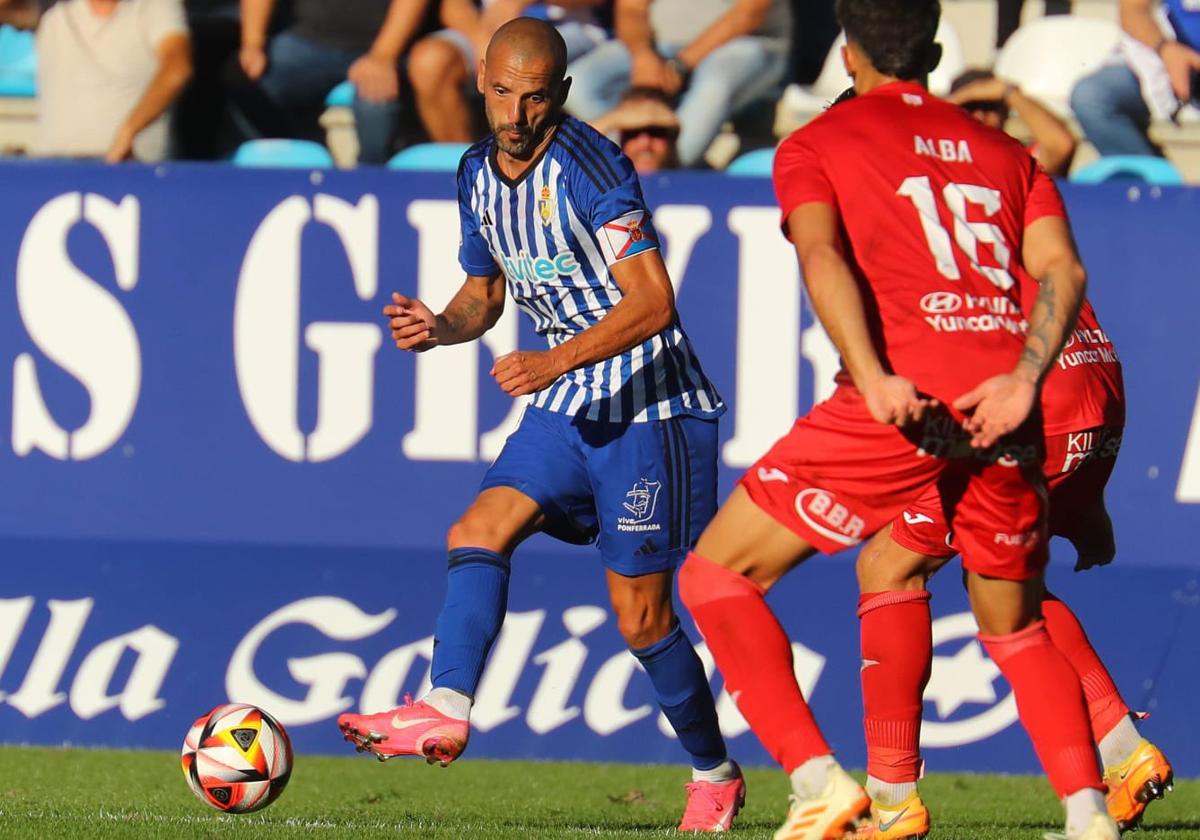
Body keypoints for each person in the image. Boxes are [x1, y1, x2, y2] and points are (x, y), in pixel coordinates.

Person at [675, 1, 1121, 838]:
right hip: (1006, 410)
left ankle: (819, 785)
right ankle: (1088, 814)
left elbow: (820, 253)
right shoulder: (1005, 150)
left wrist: (876, 377)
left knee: (715, 577)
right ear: (937, 50)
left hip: (900, 408)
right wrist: (1027, 378)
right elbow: (1062, 265)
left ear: (848, 55)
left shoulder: (818, 142)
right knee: (1017, 630)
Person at [337, 18, 745, 834]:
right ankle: (444, 703)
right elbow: (484, 297)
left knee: (641, 618)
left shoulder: (593, 165)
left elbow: (655, 303)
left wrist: (554, 361)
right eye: (500, 94)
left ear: (558, 93)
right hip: (565, 406)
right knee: (478, 527)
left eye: (533, 98)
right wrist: (440, 326)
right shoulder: (475, 172)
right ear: (478, 82)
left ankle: (715, 773)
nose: (515, 114)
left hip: (646, 410)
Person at [851, 293, 1173, 837]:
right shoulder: (1019, 207)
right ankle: (1124, 750)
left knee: (888, 565)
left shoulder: (896, 216)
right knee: (1002, 582)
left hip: (1031, 402)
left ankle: (891, 798)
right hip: (1093, 384)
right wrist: (1089, 493)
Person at [564, 0, 791, 167]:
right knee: (577, 84)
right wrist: (642, 55)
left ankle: (668, 169)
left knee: (714, 85)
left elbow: (750, 13)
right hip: (660, 44)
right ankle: (633, 159)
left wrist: (681, 64)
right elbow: (631, 9)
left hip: (748, 43)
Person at [235, 0, 439, 163]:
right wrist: (252, 43)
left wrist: (383, 56)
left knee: (375, 106)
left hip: (386, 47)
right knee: (245, 82)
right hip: (309, 41)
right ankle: (285, 169)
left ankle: (371, 185)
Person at [405, 0, 607, 144]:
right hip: (487, 31)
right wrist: (481, 40)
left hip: (570, 29)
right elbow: (452, 5)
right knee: (430, 61)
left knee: (522, 63)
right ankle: (465, 169)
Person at [33, 0, 192, 162]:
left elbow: (176, 69)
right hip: (54, 170)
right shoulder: (52, 11)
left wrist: (129, 130)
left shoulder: (155, 6)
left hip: (132, 169)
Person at [1070, 0, 1200, 158]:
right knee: (1091, 96)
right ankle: (1148, 179)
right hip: (1173, 59)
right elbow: (1133, 12)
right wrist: (1167, 50)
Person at [948, 68, 1077, 177]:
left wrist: (1008, 92)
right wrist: (959, 98)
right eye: (970, 108)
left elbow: (1061, 146)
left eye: (990, 108)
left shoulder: (1020, 161)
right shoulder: (938, 159)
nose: (980, 116)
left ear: (1004, 114)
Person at [590, 86, 680, 172]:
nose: (644, 143)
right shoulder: (603, 182)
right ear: (620, 137)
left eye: (656, 132)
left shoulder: (690, 181)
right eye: (632, 133)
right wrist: (613, 119)